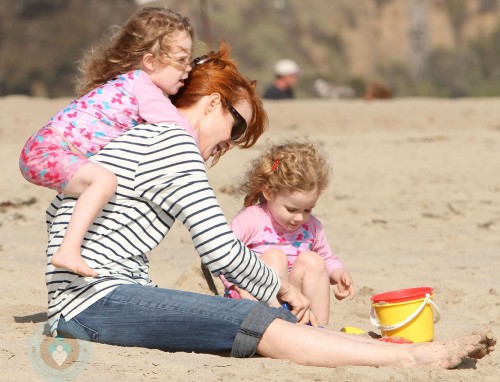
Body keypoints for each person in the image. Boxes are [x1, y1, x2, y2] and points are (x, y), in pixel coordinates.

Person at [45, 45, 496, 369]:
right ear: (211, 104)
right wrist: (283, 288)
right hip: (96, 303)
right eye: (235, 127)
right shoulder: (173, 144)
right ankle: (412, 355)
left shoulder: (135, 135)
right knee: (255, 319)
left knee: (263, 320)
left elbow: (58, 213)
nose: (230, 144)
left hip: (94, 298)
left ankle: (365, 347)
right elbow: (221, 249)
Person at [19, 7, 195, 278]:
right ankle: (68, 250)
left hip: (46, 147)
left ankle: (65, 242)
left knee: (88, 187)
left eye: (191, 60)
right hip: (50, 149)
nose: (188, 69)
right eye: (182, 60)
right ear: (150, 62)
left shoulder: (129, 83)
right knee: (104, 182)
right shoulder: (144, 88)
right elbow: (180, 131)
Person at [220, 141, 354, 325]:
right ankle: (274, 322)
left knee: (313, 260)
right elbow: (223, 253)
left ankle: (318, 327)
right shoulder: (253, 219)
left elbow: (327, 257)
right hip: (251, 300)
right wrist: (235, 286)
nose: (299, 218)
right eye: (291, 209)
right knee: (275, 257)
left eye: (308, 210)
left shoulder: (312, 227)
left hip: (296, 303)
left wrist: (339, 274)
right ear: (268, 193)